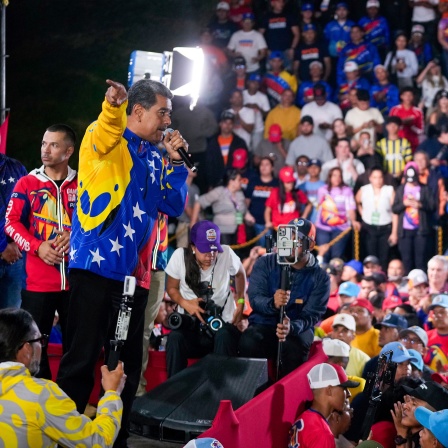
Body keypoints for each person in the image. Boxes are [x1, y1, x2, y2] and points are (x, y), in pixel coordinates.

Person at [56, 79, 188, 448]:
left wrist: (177, 164)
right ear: (139, 112)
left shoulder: (153, 155)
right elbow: (107, 128)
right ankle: (65, 438)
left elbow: (172, 206)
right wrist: (113, 105)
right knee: (81, 357)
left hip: (135, 279)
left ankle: (117, 438)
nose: (167, 122)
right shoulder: (104, 138)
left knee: (125, 363)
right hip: (96, 269)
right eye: (163, 113)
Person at [5, 124, 77, 380]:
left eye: (54, 145)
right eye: (44, 143)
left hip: (77, 284)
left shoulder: (84, 184)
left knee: (76, 351)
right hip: (38, 285)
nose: (45, 150)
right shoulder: (28, 183)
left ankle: (70, 408)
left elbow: (98, 224)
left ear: (68, 151)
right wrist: (38, 247)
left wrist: (75, 237)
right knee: (34, 350)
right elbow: (11, 223)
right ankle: (40, 405)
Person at [0, 308, 125, 447]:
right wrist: (112, 394)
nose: (42, 346)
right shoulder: (40, 395)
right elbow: (98, 442)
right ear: (26, 349)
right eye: (40, 340)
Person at [237, 218, 330, 377]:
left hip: (297, 328)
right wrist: (272, 303)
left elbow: (312, 314)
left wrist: (291, 327)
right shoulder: (265, 262)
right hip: (264, 323)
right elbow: (255, 298)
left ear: (311, 245)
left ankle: (288, 396)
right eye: (288, 237)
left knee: (295, 346)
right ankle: (254, 395)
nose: (290, 243)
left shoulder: (320, 277)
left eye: (298, 239)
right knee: (249, 341)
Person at [165, 220, 246, 377]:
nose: (211, 256)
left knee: (224, 335)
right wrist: (185, 304)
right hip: (191, 327)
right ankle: (174, 392)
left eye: (215, 250)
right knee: (174, 338)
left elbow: (240, 273)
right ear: (193, 247)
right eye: (206, 251)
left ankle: (221, 395)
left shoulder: (227, 253)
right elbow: (171, 288)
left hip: (221, 327)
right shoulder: (179, 256)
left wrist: (241, 301)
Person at [288, 362, 359, 448]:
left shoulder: (303, 417)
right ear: (329, 390)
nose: (348, 394)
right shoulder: (322, 433)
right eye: (344, 388)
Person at [392, 162, 436, 273]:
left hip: (420, 231)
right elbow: (395, 209)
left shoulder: (425, 189)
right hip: (405, 231)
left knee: (420, 260)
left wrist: (420, 205)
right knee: (406, 260)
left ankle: (420, 283)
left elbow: (432, 206)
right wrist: (404, 203)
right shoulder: (401, 189)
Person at [355, 167, 397, 270]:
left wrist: (394, 233)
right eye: (375, 177)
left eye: (380, 177)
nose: (377, 180)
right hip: (369, 227)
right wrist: (362, 212)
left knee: (384, 255)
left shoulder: (389, 190)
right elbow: (356, 201)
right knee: (370, 254)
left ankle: (382, 276)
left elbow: (395, 212)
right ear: (370, 178)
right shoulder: (364, 189)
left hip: (385, 227)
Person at [315, 166, 360, 263]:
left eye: (339, 176)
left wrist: (353, 221)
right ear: (330, 177)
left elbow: (350, 209)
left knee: (337, 255)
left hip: (341, 228)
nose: (337, 178)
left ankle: (335, 276)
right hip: (323, 227)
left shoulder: (346, 190)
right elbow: (320, 208)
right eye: (334, 175)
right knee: (323, 254)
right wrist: (315, 222)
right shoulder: (322, 190)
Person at [0, 152, 27, 309]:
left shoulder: (16, 167)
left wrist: (18, 242)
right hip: (9, 251)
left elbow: (28, 210)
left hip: (15, 259)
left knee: (12, 323)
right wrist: (2, 246)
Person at [205, 110, 249, 190]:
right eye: (225, 122)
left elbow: (246, 163)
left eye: (230, 123)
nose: (227, 125)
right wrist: (210, 184)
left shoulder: (239, 142)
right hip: (216, 182)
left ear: (233, 125)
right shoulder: (212, 142)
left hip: (233, 182)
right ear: (220, 124)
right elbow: (208, 165)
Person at [264, 166, 312, 231]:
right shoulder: (275, 192)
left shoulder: (298, 192)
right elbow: (268, 210)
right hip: (278, 229)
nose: (290, 184)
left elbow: (309, 204)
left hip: (294, 229)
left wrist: (303, 217)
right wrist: (267, 222)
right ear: (282, 183)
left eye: (292, 182)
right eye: (287, 182)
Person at [244, 157, 279, 246]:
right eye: (261, 165)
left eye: (267, 164)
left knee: (269, 249)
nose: (264, 167)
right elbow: (247, 200)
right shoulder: (253, 182)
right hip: (255, 220)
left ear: (272, 168)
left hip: (273, 222)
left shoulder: (277, 183)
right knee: (259, 247)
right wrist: (246, 215)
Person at [376, 116, 413, 182]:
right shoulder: (381, 143)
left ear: (399, 127)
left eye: (395, 125)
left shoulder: (405, 142)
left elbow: (408, 161)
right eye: (390, 125)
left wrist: (402, 172)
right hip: (385, 176)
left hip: (402, 176)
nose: (392, 127)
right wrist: (385, 172)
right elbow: (377, 161)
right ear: (386, 127)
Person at [390, 88, 424, 152]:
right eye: (405, 95)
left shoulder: (418, 112)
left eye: (410, 95)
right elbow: (390, 128)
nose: (408, 97)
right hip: (397, 142)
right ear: (401, 96)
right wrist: (402, 122)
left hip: (413, 143)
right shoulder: (395, 110)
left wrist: (411, 125)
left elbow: (421, 131)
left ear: (413, 97)